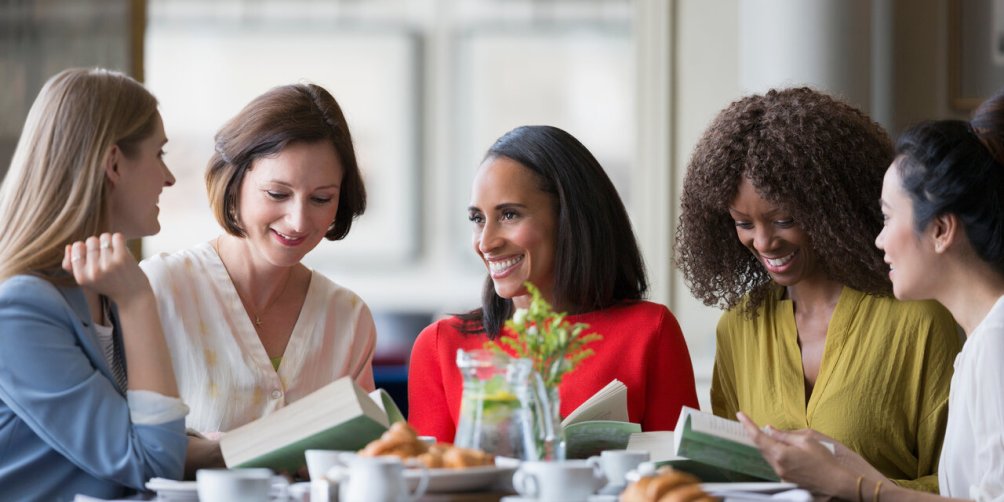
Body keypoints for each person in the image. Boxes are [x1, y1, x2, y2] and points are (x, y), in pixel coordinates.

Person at [674, 87, 963, 491]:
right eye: (743, 224)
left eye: (783, 219)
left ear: (831, 207)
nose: (763, 242)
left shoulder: (919, 321)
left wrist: (853, 486)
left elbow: (964, 486)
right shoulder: (739, 328)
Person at [739, 89, 1004, 501]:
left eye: (887, 216)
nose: (878, 239)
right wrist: (843, 462)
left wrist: (849, 485)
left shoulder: (996, 344)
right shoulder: (980, 345)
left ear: (940, 230)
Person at [408, 125, 699, 442]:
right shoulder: (441, 346)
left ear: (569, 218)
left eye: (509, 215)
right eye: (478, 219)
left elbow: (677, 482)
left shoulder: (650, 332)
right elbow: (427, 484)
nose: (486, 242)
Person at [141, 83, 376, 445]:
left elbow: (361, 458)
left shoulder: (347, 318)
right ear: (234, 183)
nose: (298, 220)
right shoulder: (159, 290)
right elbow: (120, 449)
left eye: (321, 198)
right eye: (277, 194)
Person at [0, 68, 187, 500]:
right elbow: (152, 465)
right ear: (114, 163)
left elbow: (133, 441)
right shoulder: (20, 310)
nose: (170, 177)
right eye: (159, 154)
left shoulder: (99, 286)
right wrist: (139, 302)